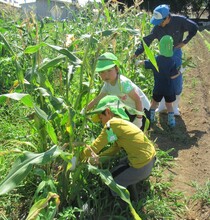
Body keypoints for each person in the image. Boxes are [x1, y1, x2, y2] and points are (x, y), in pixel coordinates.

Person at [81, 95, 156, 199]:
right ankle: (131, 184)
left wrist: (78, 158)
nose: (101, 122)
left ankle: (122, 204)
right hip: (150, 161)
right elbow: (114, 148)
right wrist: (100, 158)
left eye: (101, 118)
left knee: (109, 180)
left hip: (141, 166)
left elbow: (95, 147)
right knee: (121, 163)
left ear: (107, 112)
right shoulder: (121, 124)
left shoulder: (111, 124)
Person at [134, 4, 198, 115]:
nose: (158, 24)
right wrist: (136, 53)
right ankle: (163, 106)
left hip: (175, 52)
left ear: (167, 17)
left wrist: (185, 42)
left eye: (160, 21)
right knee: (163, 78)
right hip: (163, 53)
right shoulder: (157, 27)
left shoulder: (180, 21)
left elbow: (194, 28)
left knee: (176, 79)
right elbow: (147, 41)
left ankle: (175, 107)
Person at [86, 52, 151, 131]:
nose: (106, 75)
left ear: (116, 69)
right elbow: (98, 99)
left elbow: (138, 99)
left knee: (140, 132)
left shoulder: (123, 83)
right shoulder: (107, 84)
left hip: (142, 109)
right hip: (129, 109)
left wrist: (139, 118)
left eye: (109, 71)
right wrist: (85, 110)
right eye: (102, 72)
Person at [136, 35, 180, 127]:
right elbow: (173, 76)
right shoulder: (172, 62)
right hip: (169, 89)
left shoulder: (155, 59)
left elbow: (145, 63)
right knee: (169, 105)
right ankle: (171, 122)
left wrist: (138, 62)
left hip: (158, 88)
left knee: (154, 103)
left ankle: (151, 118)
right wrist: (180, 72)